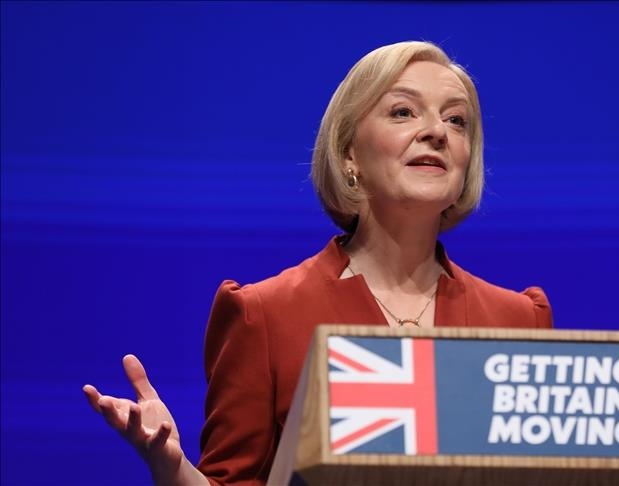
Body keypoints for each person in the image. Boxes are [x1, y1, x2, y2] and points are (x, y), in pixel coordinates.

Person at [82, 40, 553, 485]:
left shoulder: (517, 322)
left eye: (456, 120)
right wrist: (173, 469)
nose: (436, 132)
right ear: (349, 154)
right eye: (403, 112)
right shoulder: (265, 315)